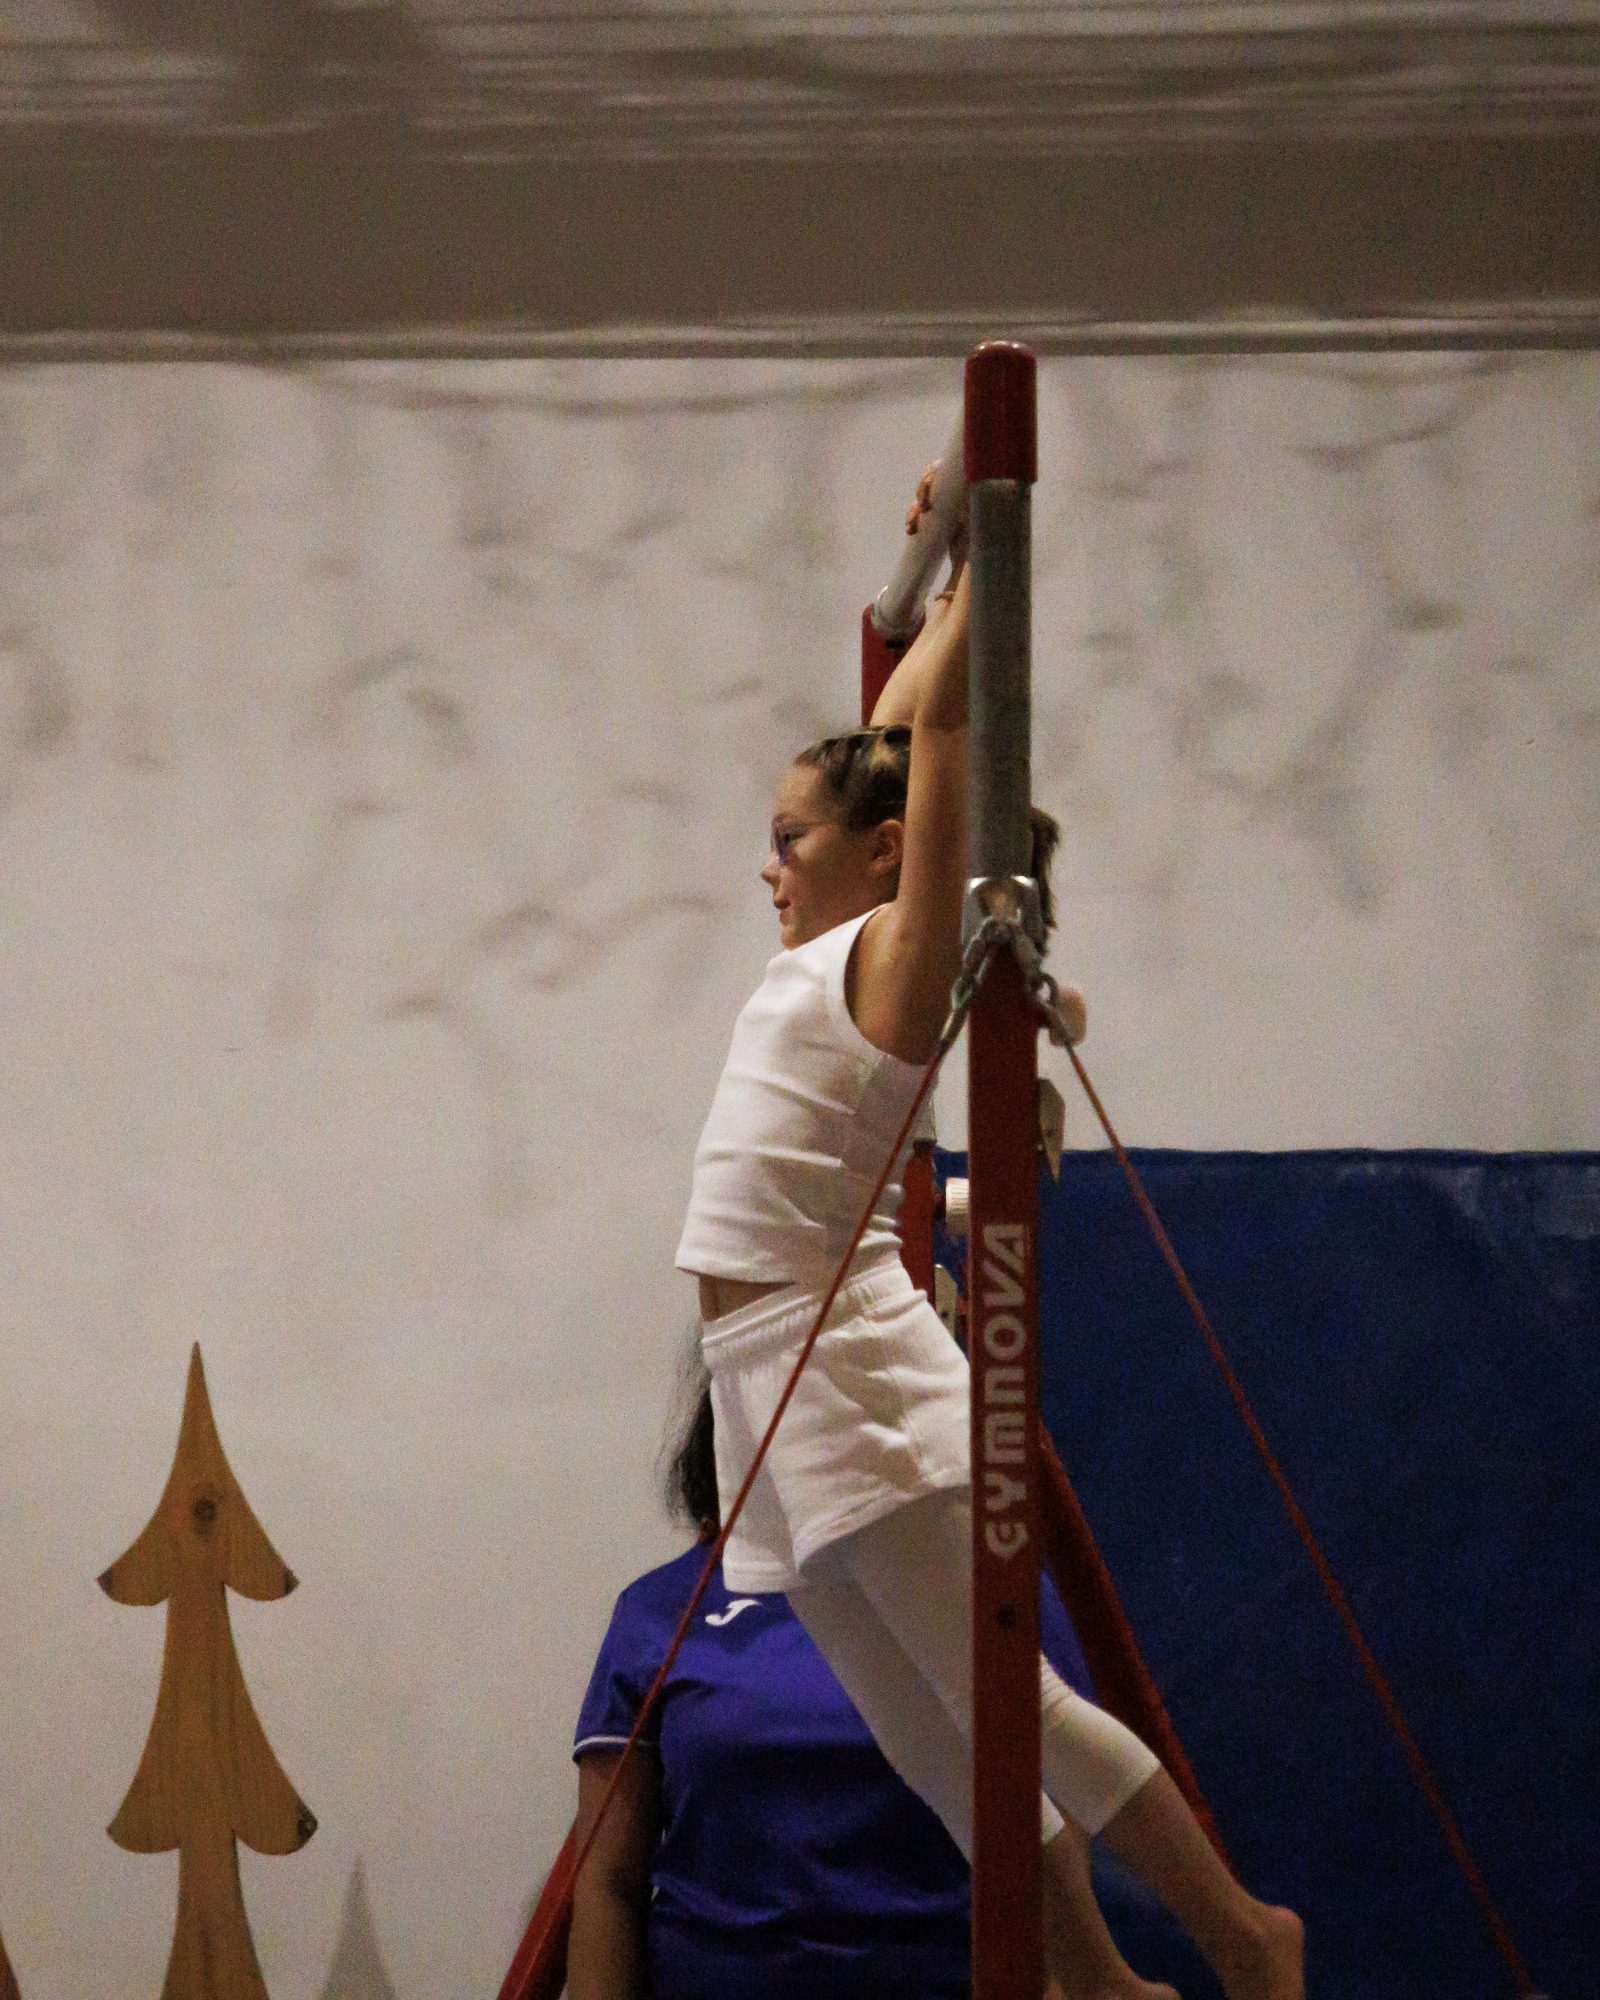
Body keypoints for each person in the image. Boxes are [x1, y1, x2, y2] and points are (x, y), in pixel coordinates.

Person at [670, 485, 1305, 2000]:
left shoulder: (893, 959)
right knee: (932, 1744)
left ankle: (1244, 1935)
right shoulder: (840, 946)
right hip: (764, 1375)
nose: (766, 868)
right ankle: (1101, 1981)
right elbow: (905, 713)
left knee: (1009, 1707)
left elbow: (940, 729)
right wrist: (945, 572)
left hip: (839, 1367)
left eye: (786, 840)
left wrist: (993, 533)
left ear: (886, 852)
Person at [568, 1385, 1221, 2000]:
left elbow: (1064, 1819)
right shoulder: (661, 1608)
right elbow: (608, 1881)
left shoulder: (988, 1589)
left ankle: (1244, 1937)